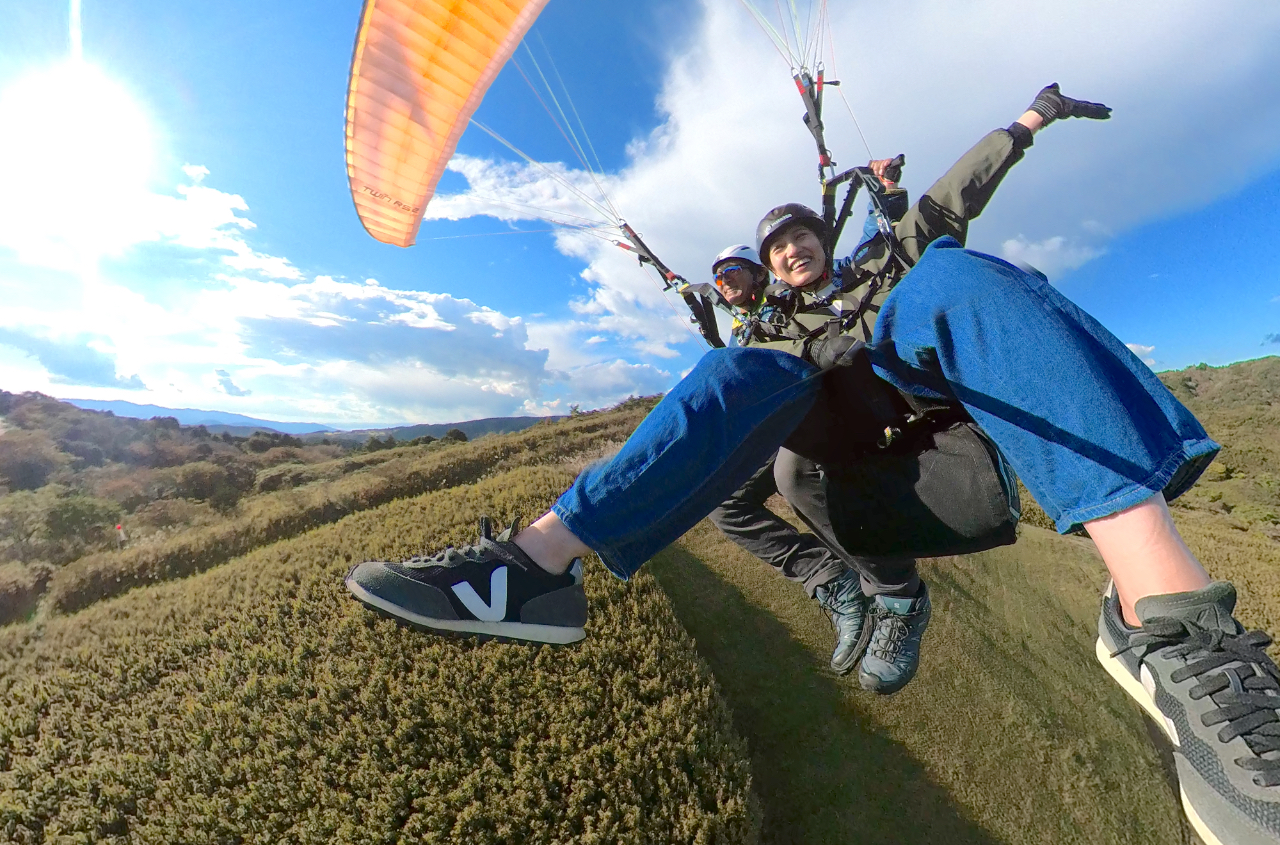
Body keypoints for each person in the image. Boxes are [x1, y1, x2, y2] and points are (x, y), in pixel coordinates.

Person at [346, 86, 1280, 845]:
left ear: (824, 245)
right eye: (775, 249)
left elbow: (952, 197)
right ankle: (539, 565)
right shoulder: (769, 333)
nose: (790, 252)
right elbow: (734, 371)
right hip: (848, 471)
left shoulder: (886, 266)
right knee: (747, 376)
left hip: (955, 455)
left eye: (800, 238)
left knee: (954, 271)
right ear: (767, 270)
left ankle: (1169, 624)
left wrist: (1024, 123)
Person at [707, 244, 869, 674]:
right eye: (720, 277)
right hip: (779, 426)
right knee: (725, 502)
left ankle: (876, 580)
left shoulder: (787, 296)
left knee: (795, 478)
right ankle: (831, 579)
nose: (726, 282)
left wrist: (888, 195)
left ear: (760, 275)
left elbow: (852, 266)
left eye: (735, 272)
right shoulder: (742, 326)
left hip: (825, 411)